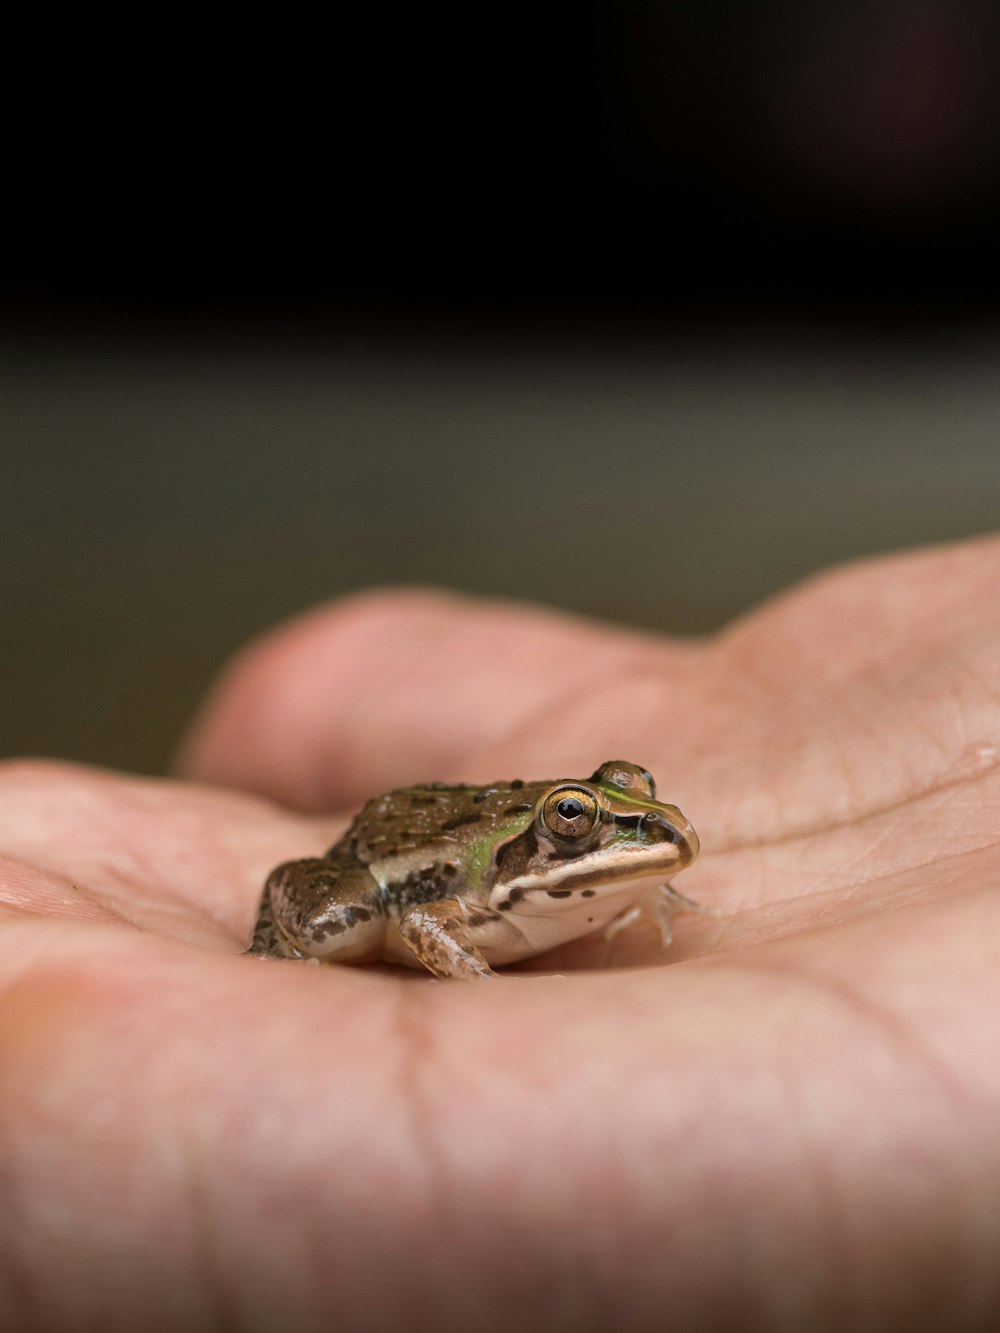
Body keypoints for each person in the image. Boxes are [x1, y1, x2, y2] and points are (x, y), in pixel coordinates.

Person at [2, 534, 999, 1330]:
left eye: (615, 805)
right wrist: (472, 978)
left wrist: (638, 888)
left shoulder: (606, 871)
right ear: (541, 835)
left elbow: (633, 861)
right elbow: (424, 915)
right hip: (395, 862)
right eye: (576, 820)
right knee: (341, 925)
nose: (621, 827)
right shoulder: (463, 892)